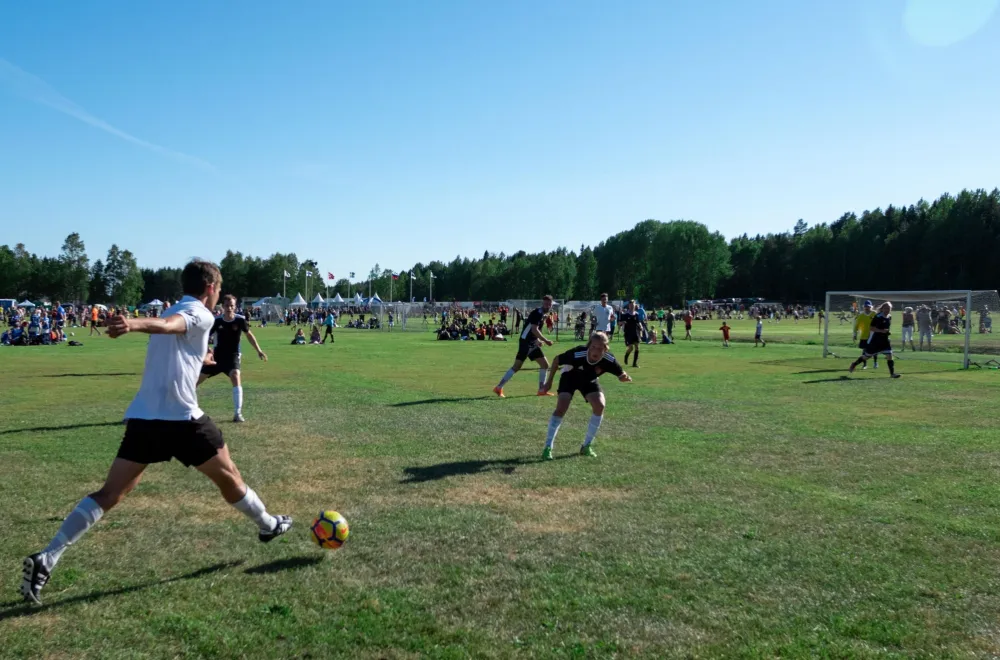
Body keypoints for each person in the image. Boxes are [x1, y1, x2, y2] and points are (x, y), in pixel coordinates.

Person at [20, 261, 292, 606]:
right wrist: (132, 324)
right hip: (182, 419)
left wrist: (200, 357)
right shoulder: (197, 313)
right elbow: (168, 326)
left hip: (145, 418)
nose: (219, 297)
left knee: (110, 493)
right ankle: (268, 524)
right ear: (210, 287)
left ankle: (48, 557)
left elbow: (173, 333)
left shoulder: (179, 307)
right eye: (219, 290)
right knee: (229, 477)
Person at [539, 332, 631, 459]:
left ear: (605, 349)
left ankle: (586, 446)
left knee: (599, 405)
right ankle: (548, 447)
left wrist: (624, 377)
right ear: (589, 346)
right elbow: (556, 361)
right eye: (593, 347)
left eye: (600, 348)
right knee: (561, 407)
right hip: (569, 376)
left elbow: (621, 374)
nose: (596, 350)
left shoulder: (609, 360)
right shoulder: (578, 354)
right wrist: (549, 382)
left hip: (588, 380)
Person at [198, 295, 268, 424]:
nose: (229, 308)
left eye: (232, 306)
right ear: (223, 306)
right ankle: (185, 409)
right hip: (217, 357)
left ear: (235, 307)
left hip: (233, 356)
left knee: (236, 375)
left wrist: (259, 350)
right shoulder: (217, 321)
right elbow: (204, 337)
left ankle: (237, 413)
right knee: (195, 382)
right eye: (227, 305)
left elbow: (249, 335)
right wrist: (208, 350)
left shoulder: (240, 320)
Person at [493, 295, 555, 398]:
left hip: (531, 342)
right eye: (546, 304)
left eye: (549, 304)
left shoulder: (542, 314)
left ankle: (541, 390)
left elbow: (532, 330)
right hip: (525, 342)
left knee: (544, 365)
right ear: (542, 303)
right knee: (516, 367)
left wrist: (537, 340)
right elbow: (534, 329)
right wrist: (546, 340)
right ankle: (498, 387)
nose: (548, 306)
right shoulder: (538, 313)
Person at [850, 302, 900, 378]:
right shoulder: (878, 317)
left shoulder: (889, 317)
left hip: (885, 341)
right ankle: (854, 364)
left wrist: (887, 332)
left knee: (890, 355)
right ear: (882, 309)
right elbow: (871, 328)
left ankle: (892, 374)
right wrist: (882, 331)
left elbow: (886, 328)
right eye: (886, 308)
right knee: (866, 356)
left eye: (889, 308)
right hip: (875, 341)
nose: (887, 310)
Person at [852, 300, 878, 369]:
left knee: (874, 350)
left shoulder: (874, 314)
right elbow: (856, 326)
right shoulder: (861, 316)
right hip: (864, 336)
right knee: (864, 351)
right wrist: (855, 334)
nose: (867, 308)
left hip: (873, 336)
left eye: (868, 306)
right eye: (866, 306)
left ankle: (875, 363)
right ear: (864, 307)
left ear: (871, 307)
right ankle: (865, 365)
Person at [620, 301, 642, 367]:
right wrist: (622, 322)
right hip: (628, 333)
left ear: (635, 305)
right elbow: (620, 323)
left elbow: (638, 322)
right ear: (629, 306)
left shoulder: (636, 314)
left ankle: (634, 364)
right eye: (631, 305)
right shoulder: (625, 314)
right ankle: (626, 356)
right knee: (631, 348)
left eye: (633, 305)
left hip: (635, 333)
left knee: (637, 347)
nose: (632, 306)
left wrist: (641, 326)